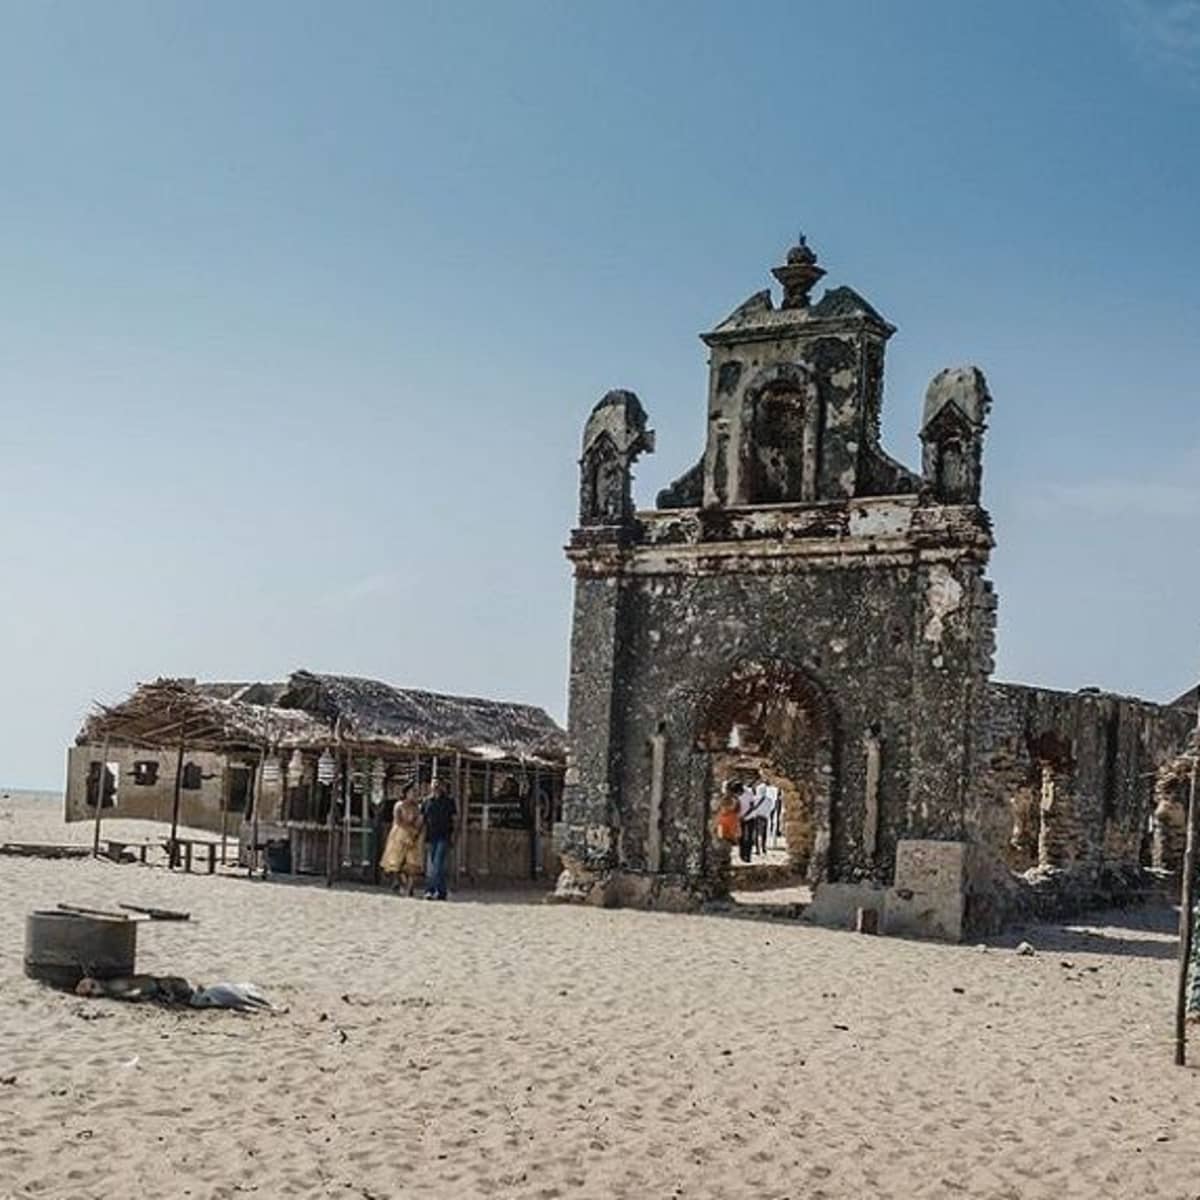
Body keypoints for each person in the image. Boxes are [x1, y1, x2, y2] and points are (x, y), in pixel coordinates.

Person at [380, 787, 424, 896]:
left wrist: (416, 830)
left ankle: (409, 888)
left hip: (413, 835)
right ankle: (399, 883)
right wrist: (408, 829)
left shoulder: (417, 807)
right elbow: (398, 820)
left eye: (415, 793)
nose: (414, 795)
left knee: (412, 863)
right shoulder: (399, 805)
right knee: (395, 862)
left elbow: (419, 820)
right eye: (412, 792)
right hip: (399, 835)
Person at [421, 777, 456, 900]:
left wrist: (453, 836)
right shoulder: (427, 802)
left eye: (438, 784)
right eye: (434, 784)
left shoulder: (448, 801)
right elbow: (423, 820)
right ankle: (441, 891)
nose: (436, 786)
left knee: (437, 864)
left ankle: (430, 890)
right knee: (433, 865)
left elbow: (454, 819)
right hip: (430, 836)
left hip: (444, 836)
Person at [715, 782, 741, 847]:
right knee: (729, 838)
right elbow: (738, 809)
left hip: (722, 819)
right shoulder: (735, 798)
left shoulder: (720, 797)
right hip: (730, 820)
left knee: (721, 837)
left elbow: (717, 807)